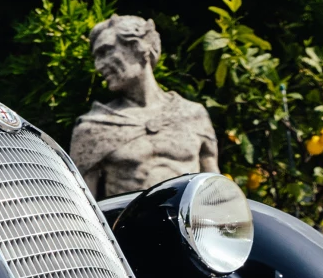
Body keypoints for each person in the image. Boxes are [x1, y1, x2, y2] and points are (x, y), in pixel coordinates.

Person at [66, 13, 218, 200]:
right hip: (128, 219)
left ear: (139, 47)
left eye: (106, 51)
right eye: (97, 57)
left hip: (189, 218)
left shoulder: (192, 115)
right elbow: (81, 206)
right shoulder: (93, 127)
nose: (99, 66)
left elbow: (218, 194)